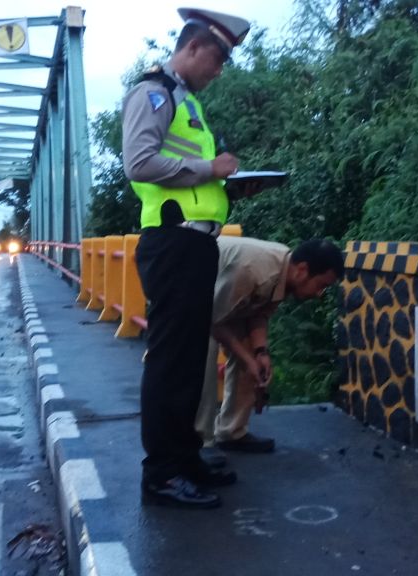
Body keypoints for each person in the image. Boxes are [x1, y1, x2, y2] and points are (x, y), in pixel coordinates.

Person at [122, 7, 251, 509]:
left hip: (194, 244)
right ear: (192, 47)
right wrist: (208, 167)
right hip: (173, 244)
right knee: (171, 362)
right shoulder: (153, 92)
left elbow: (188, 174)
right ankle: (161, 473)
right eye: (216, 60)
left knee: (191, 359)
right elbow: (140, 161)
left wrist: (226, 184)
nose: (218, 71)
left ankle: (185, 455)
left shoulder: (185, 101)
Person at [195, 238, 344, 467]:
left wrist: (260, 352)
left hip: (220, 300)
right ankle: (200, 442)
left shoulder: (285, 273)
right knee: (203, 349)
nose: (319, 294)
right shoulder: (253, 271)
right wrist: (248, 360)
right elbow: (213, 322)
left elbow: (259, 312)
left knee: (252, 355)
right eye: (320, 285)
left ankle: (231, 432)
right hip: (186, 290)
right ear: (303, 270)